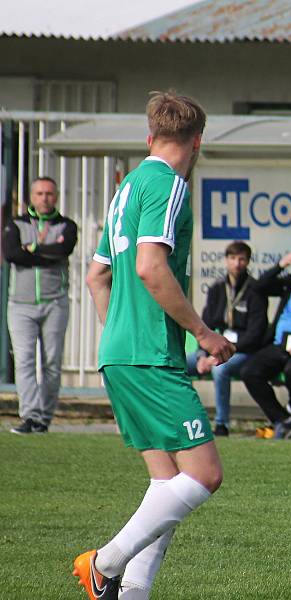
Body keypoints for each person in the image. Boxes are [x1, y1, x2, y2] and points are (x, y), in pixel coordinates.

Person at [78, 91, 235, 599]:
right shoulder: (170, 184)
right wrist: (203, 332)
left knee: (166, 484)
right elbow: (149, 267)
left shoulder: (126, 188)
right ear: (197, 142)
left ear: (150, 138)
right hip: (149, 355)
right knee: (205, 474)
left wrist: (118, 339)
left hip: (118, 353)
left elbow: (96, 276)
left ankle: (131, 593)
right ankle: (104, 563)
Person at [3, 176, 77, 434]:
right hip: (20, 305)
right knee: (24, 360)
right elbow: (12, 254)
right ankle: (30, 416)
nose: (44, 198)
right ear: (31, 197)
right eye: (39, 193)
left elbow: (63, 250)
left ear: (55, 197)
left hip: (55, 303)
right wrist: (46, 253)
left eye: (49, 194)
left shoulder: (67, 225)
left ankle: (44, 417)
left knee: (51, 363)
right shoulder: (16, 224)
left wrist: (32, 248)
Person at [185, 241, 266, 437]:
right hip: (213, 348)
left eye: (241, 259)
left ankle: (222, 424)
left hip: (242, 351)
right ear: (225, 260)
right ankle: (184, 419)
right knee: (177, 363)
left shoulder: (255, 290)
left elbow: (256, 334)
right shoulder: (217, 289)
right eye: (232, 258)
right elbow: (205, 325)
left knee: (220, 369)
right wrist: (203, 354)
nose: (236, 263)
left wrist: (220, 354)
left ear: (248, 262)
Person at [240, 251, 291, 440]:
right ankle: (284, 419)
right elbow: (259, 286)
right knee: (249, 371)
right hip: (279, 344)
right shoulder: (290, 283)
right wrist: (281, 265)